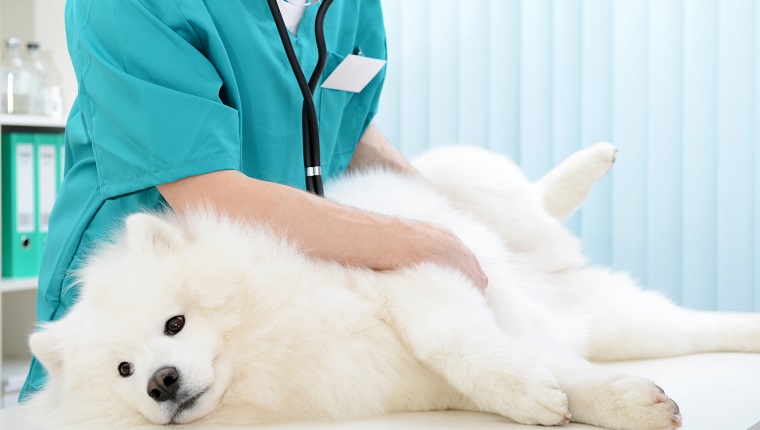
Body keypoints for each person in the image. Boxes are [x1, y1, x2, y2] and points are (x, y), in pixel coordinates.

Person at [20, 0, 487, 401]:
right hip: (140, 332)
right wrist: (418, 243)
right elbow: (210, 193)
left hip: (259, 320)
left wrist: (444, 212)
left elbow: (340, 119)